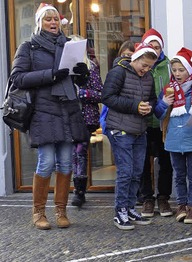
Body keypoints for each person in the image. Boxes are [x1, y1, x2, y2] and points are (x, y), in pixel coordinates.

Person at [10, 3, 90, 230]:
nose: (53, 23)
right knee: (46, 163)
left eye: (56, 19)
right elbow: (18, 78)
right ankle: (38, 213)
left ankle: (61, 211)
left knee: (66, 163)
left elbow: (75, 79)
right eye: (48, 19)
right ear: (39, 23)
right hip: (43, 112)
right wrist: (51, 75)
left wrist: (82, 74)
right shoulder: (29, 47)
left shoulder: (69, 45)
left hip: (67, 110)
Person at [154, 47, 192, 224]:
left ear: (188, 70)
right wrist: (165, 103)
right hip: (174, 137)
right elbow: (158, 113)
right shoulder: (168, 90)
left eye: (181, 70)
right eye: (174, 70)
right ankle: (181, 204)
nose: (177, 73)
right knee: (178, 174)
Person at [102, 42, 158, 230]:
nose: (146, 70)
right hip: (119, 129)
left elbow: (153, 99)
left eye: (150, 67)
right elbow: (107, 97)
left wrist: (148, 107)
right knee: (125, 172)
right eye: (144, 65)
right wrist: (135, 106)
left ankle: (130, 207)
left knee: (136, 172)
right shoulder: (118, 72)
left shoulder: (148, 76)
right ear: (136, 58)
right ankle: (120, 211)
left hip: (139, 129)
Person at [138, 28, 175, 218]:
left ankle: (163, 198)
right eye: (151, 46)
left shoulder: (169, 66)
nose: (155, 50)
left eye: (158, 47)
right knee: (143, 162)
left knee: (165, 161)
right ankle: (147, 199)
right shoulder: (139, 65)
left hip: (164, 122)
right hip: (143, 122)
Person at [69, 35, 104, 208]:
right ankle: (70, 190)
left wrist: (82, 93)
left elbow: (100, 93)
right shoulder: (63, 68)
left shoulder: (91, 66)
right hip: (66, 116)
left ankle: (79, 192)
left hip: (85, 117)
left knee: (80, 152)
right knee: (70, 154)